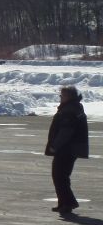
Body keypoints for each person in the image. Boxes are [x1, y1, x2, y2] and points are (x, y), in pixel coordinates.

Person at [44, 85, 90, 217]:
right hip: (69, 149)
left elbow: (66, 131)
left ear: (68, 97)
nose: (60, 97)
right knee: (61, 176)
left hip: (66, 149)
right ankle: (64, 203)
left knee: (59, 176)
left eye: (62, 95)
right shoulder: (73, 107)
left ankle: (69, 202)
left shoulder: (70, 110)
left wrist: (55, 146)